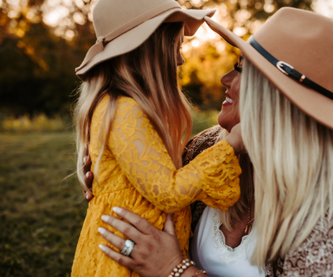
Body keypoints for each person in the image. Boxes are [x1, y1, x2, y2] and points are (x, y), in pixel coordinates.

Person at [85, 7, 333, 277]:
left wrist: (175, 271)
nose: (224, 79)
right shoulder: (209, 148)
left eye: (241, 69)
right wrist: (110, 168)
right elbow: (158, 186)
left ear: (275, 96)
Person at [71, 0, 247, 276]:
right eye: (176, 48)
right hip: (126, 265)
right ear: (150, 51)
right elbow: (169, 193)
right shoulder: (123, 110)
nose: (181, 60)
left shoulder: (125, 109)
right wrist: (230, 144)